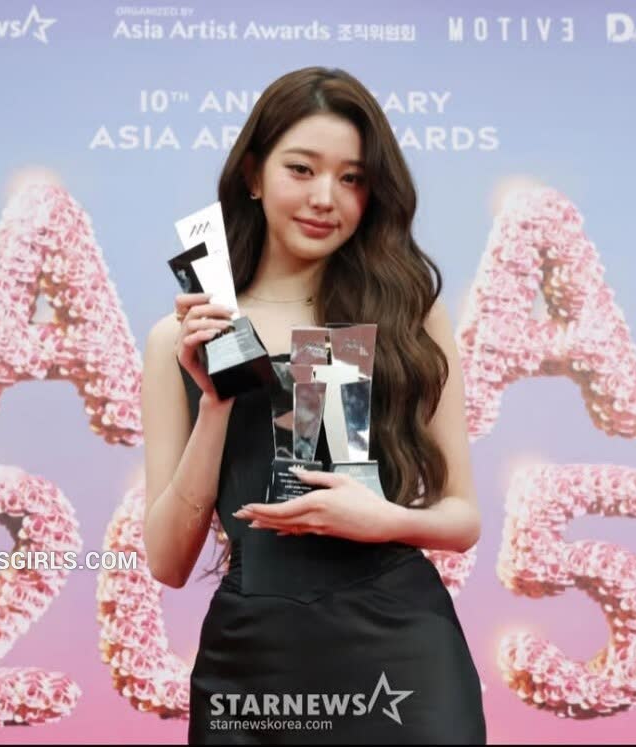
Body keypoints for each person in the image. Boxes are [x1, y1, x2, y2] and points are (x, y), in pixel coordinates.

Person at [141, 66, 486, 744]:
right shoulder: (178, 339)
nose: (326, 198)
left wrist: (383, 520)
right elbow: (167, 563)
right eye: (301, 169)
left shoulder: (409, 313)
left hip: (401, 653)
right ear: (253, 174)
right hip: (252, 660)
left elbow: (463, 517)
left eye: (352, 178)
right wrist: (216, 401)